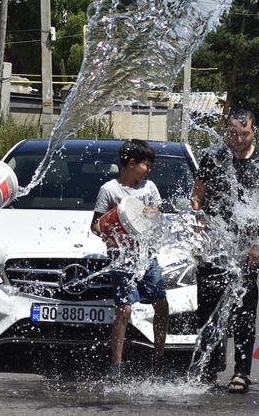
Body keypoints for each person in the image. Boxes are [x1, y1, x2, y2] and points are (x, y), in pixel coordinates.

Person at [190, 109, 259, 394]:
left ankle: (241, 372)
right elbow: (197, 197)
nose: (237, 139)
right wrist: (199, 222)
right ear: (225, 131)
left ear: (254, 132)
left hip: (246, 249)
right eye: (232, 133)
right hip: (215, 246)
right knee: (208, 309)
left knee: (244, 309)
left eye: (243, 133)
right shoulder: (213, 158)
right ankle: (207, 370)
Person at [90, 139, 169, 379]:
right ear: (132, 163)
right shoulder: (110, 190)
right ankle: (116, 364)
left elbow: (158, 214)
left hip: (147, 256)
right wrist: (109, 232)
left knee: (161, 304)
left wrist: (153, 212)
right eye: (147, 164)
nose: (149, 169)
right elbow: (96, 225)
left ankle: (159, 356)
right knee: (124, 309)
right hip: (122, 259)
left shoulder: (149, 188)